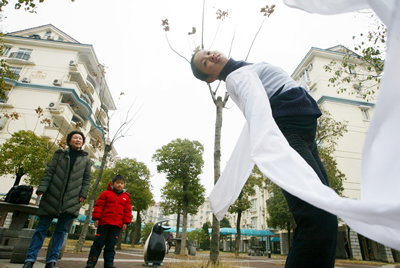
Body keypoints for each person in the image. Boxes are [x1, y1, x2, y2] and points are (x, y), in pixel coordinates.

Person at [191, 50, 338, 267]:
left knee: (327, 211)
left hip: (301, 131)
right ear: (210, 78)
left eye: (209, 52)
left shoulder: (244, 68)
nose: (211, 56)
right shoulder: (235, 77)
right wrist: (271, 148)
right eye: (205, 62)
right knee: (317, 217)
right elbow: (256, 108)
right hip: (289, 131)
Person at [22, 130, 91, 268]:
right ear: (69, 140)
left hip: (71, 199)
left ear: (82, 142)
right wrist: (43, 187)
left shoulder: (86, 159)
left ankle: (51, 261)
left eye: (80, 138)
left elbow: (86, 179)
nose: (78, 140)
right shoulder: (59, 154)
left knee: (61, 231)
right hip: (52, 195)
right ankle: (30, 259)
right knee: (41, 228)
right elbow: (50, 171)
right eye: (75, 137)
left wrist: (83, 194)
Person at [85, 175, 132, 268]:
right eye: (117, 183)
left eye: (122, 183)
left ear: (124, 185)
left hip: (116, 225)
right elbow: (98, 206)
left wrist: (125, 223)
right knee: (98, 244)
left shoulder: (126, 197)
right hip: (104, 223)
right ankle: (91, 262)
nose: (119, 185)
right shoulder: (105, 194)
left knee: (111, 246)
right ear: (113, 183)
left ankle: (109, 263)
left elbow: (127, 211)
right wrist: (97, 219)